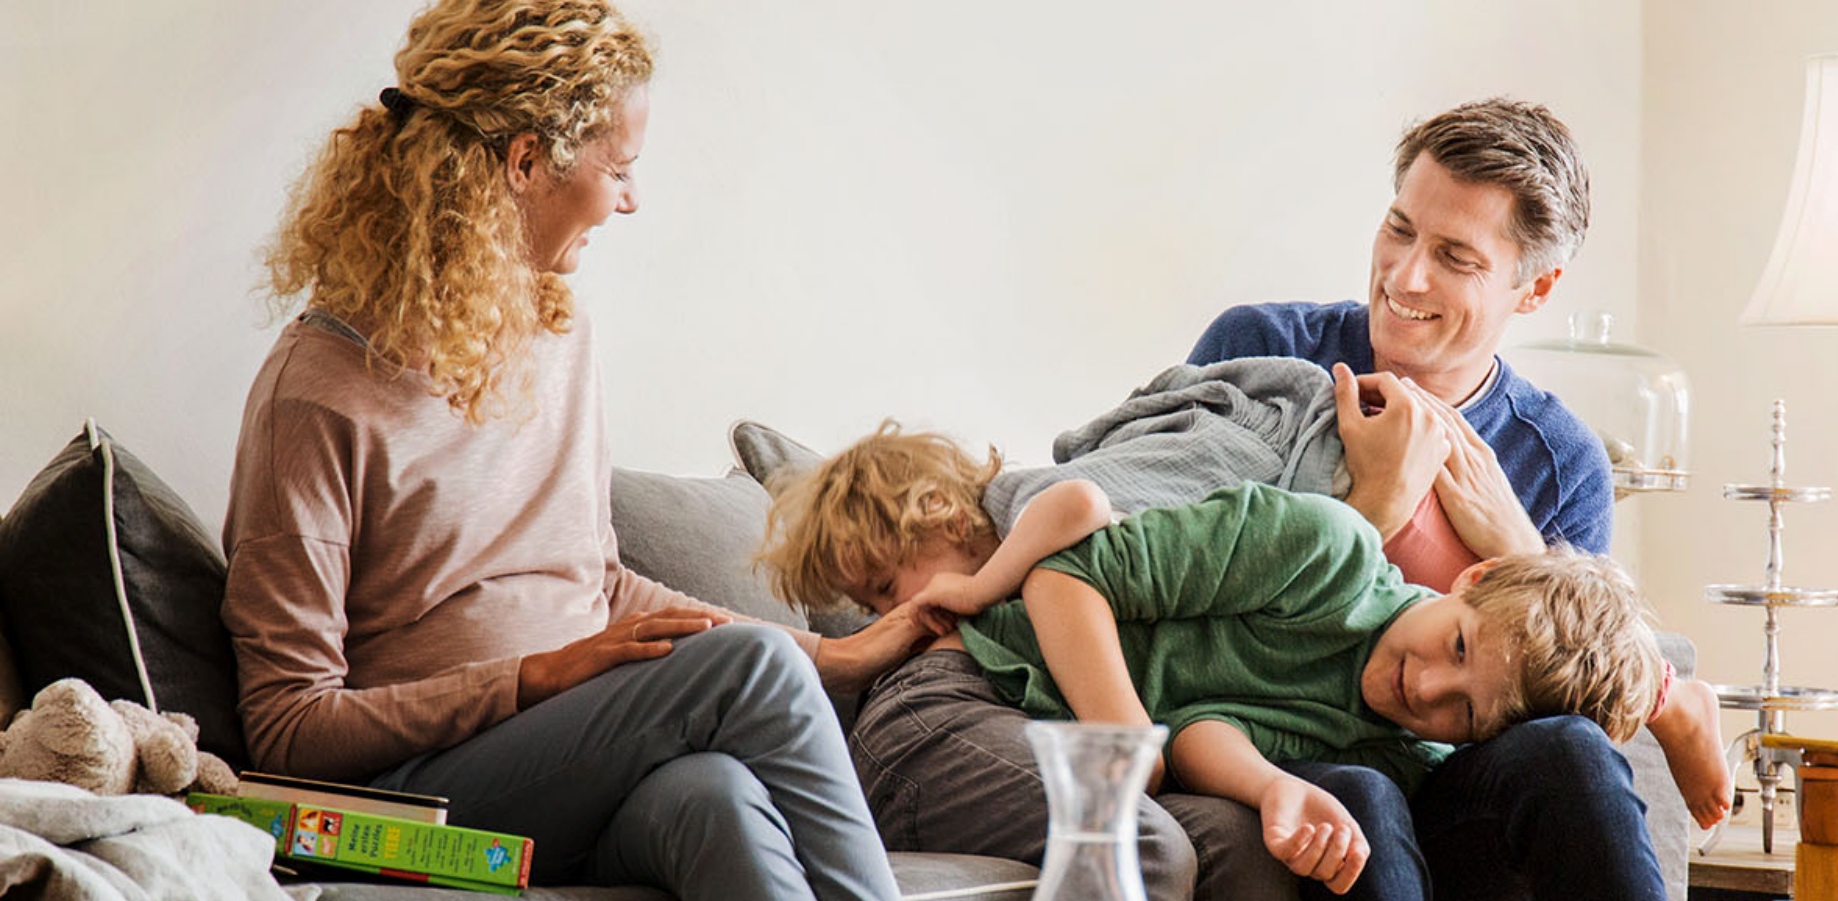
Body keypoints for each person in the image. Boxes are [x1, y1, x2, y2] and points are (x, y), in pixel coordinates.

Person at [221, 3, 930, 898]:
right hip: (417, 798)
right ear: (525, 162)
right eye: (620, 170)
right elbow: (287, 726)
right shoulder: (315, 397)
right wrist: (529, 678)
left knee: (714, 797)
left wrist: (819, 652)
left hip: (575, 765)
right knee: (753, 671)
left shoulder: (559, 337)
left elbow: (594, 581)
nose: (630, 199)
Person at [757, 425, 1723, 901]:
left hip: (1095, 719)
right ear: (1465, 580)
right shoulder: (1325, 544)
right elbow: (1066, 554)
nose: (1427, 689)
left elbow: (1212, 730)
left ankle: (1674, 699)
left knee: (1361, 793)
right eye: (1455, 649)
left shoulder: (1405, 744)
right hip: (1003, 693)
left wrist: (1263, 784)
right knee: (1223, 827)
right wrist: (1129, 737)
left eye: (1465, 713)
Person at [1185, 98, 1725, 900]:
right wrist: (1376, 506)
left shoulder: (1559, 460)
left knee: (1572, 749)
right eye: (1399, 229)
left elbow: (1565, 692)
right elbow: (1172, 595)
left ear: (1534, 287)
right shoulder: (1264, 351)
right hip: (1276, 737)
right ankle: (1669, 696)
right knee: (1357, 794)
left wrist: (1519, 552)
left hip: (1446, 775)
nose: (1405, 277)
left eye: (1455, 256)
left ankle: (1665, 691)